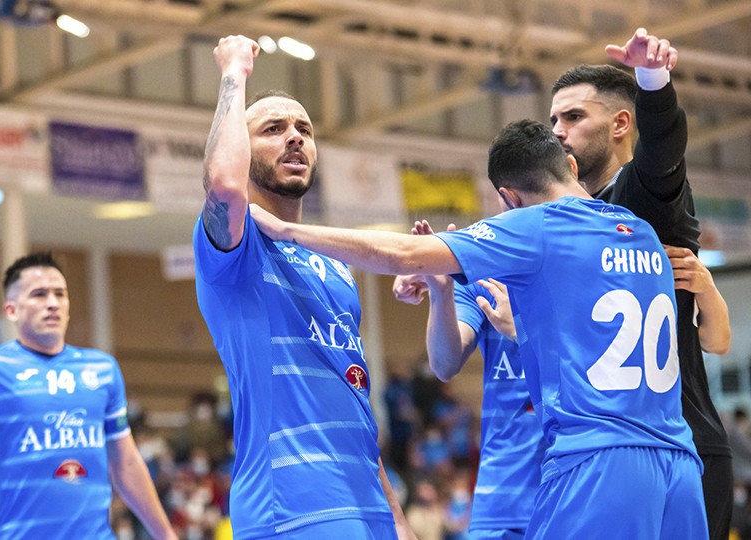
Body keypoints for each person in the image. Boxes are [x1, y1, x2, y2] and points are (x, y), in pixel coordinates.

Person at [251, 118, 707, 538]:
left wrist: (287, 231)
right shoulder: (641, 232)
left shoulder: (536, 225)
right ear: (569, 166)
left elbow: (402, 254)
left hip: (601, 460)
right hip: (680, 463)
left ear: (509, 198)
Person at [193, 34, 415, 539]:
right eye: (273, 129)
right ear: (244, 146)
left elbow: (353, 394)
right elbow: (224, 184)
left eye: (304, 129)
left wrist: (397, 518)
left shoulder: (334, 266)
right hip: (290, 510)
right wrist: (233, 74)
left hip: (369, 511)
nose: (294, 137)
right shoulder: (236, 247)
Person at [550, 27, 733, 538]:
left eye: (573, 117)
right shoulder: (570, 219)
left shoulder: (640, 193)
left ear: (620, 124)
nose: (558, 131)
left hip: (682, 446)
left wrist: (653, 80)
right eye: (553, 120)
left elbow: (662, 149)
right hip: (617, 452)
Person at [0, 252, 177, 540]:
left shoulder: (102, 369)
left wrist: (166, 535)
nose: (52, 303)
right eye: (39, 294)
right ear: (11, 310)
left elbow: (126, 463)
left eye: (60, 294)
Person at [393, 219, 543, 540]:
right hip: (501, 500)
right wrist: (441, 291)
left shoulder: (581, 269)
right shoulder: (484, 277)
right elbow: (444, 364)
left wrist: (520, 334)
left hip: (571, 486)